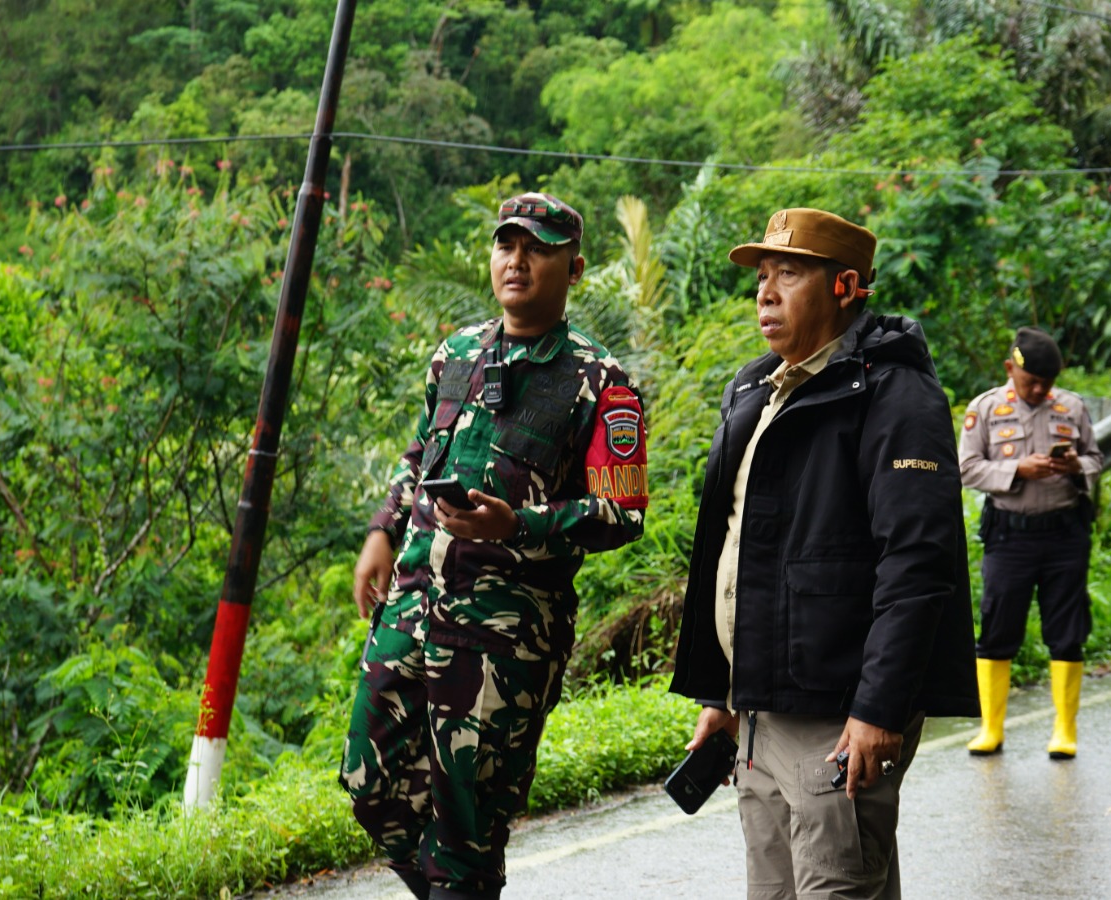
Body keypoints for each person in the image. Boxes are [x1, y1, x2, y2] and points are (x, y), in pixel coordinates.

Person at [340, 193, 648, 900]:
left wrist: (517, 525)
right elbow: (421, 452)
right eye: (506, 245)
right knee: (369, 785)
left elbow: (622, 513)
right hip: (412, 609)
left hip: (501, 643)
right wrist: (383, 531)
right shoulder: (455, 353)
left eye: (536, 248)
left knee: (467, 835)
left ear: (572, 269)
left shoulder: (601, 382)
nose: (517, 260)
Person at [670, 207, 977, 899]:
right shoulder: (754, 391)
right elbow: (735, 547)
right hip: (758, 713)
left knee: (841, 886)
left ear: (846, 288)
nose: (765, 292)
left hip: (836, 716)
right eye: (761, 276)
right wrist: (720, 694)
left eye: (789, 273)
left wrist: (877, 710)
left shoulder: (895, 395)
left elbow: (916, 564)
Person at [957, 328, 1103, 760]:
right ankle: (991, 729)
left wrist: (1078, 466)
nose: (1039, 390)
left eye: (1047, 382)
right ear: (1010, 369)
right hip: (1009, 536)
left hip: (1065, 535)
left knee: (1067, 631)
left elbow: (1096, 458)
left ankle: (1064, 730)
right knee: (998, 629)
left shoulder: (1072, 407)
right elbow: (966, 468)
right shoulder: (985, 409)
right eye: (1031, 381)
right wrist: (1018, 470)